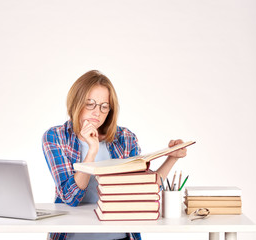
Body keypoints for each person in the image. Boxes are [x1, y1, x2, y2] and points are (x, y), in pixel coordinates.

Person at [42, 70, 187, 240]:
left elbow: (143, 191)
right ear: (76, 102)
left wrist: (172, 158)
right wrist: (92, 151)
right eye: (90, 104)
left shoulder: (125, 138)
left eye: (104, 106)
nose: (97, 112)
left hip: (119, 236)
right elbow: (70, 197)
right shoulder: (56, 136)